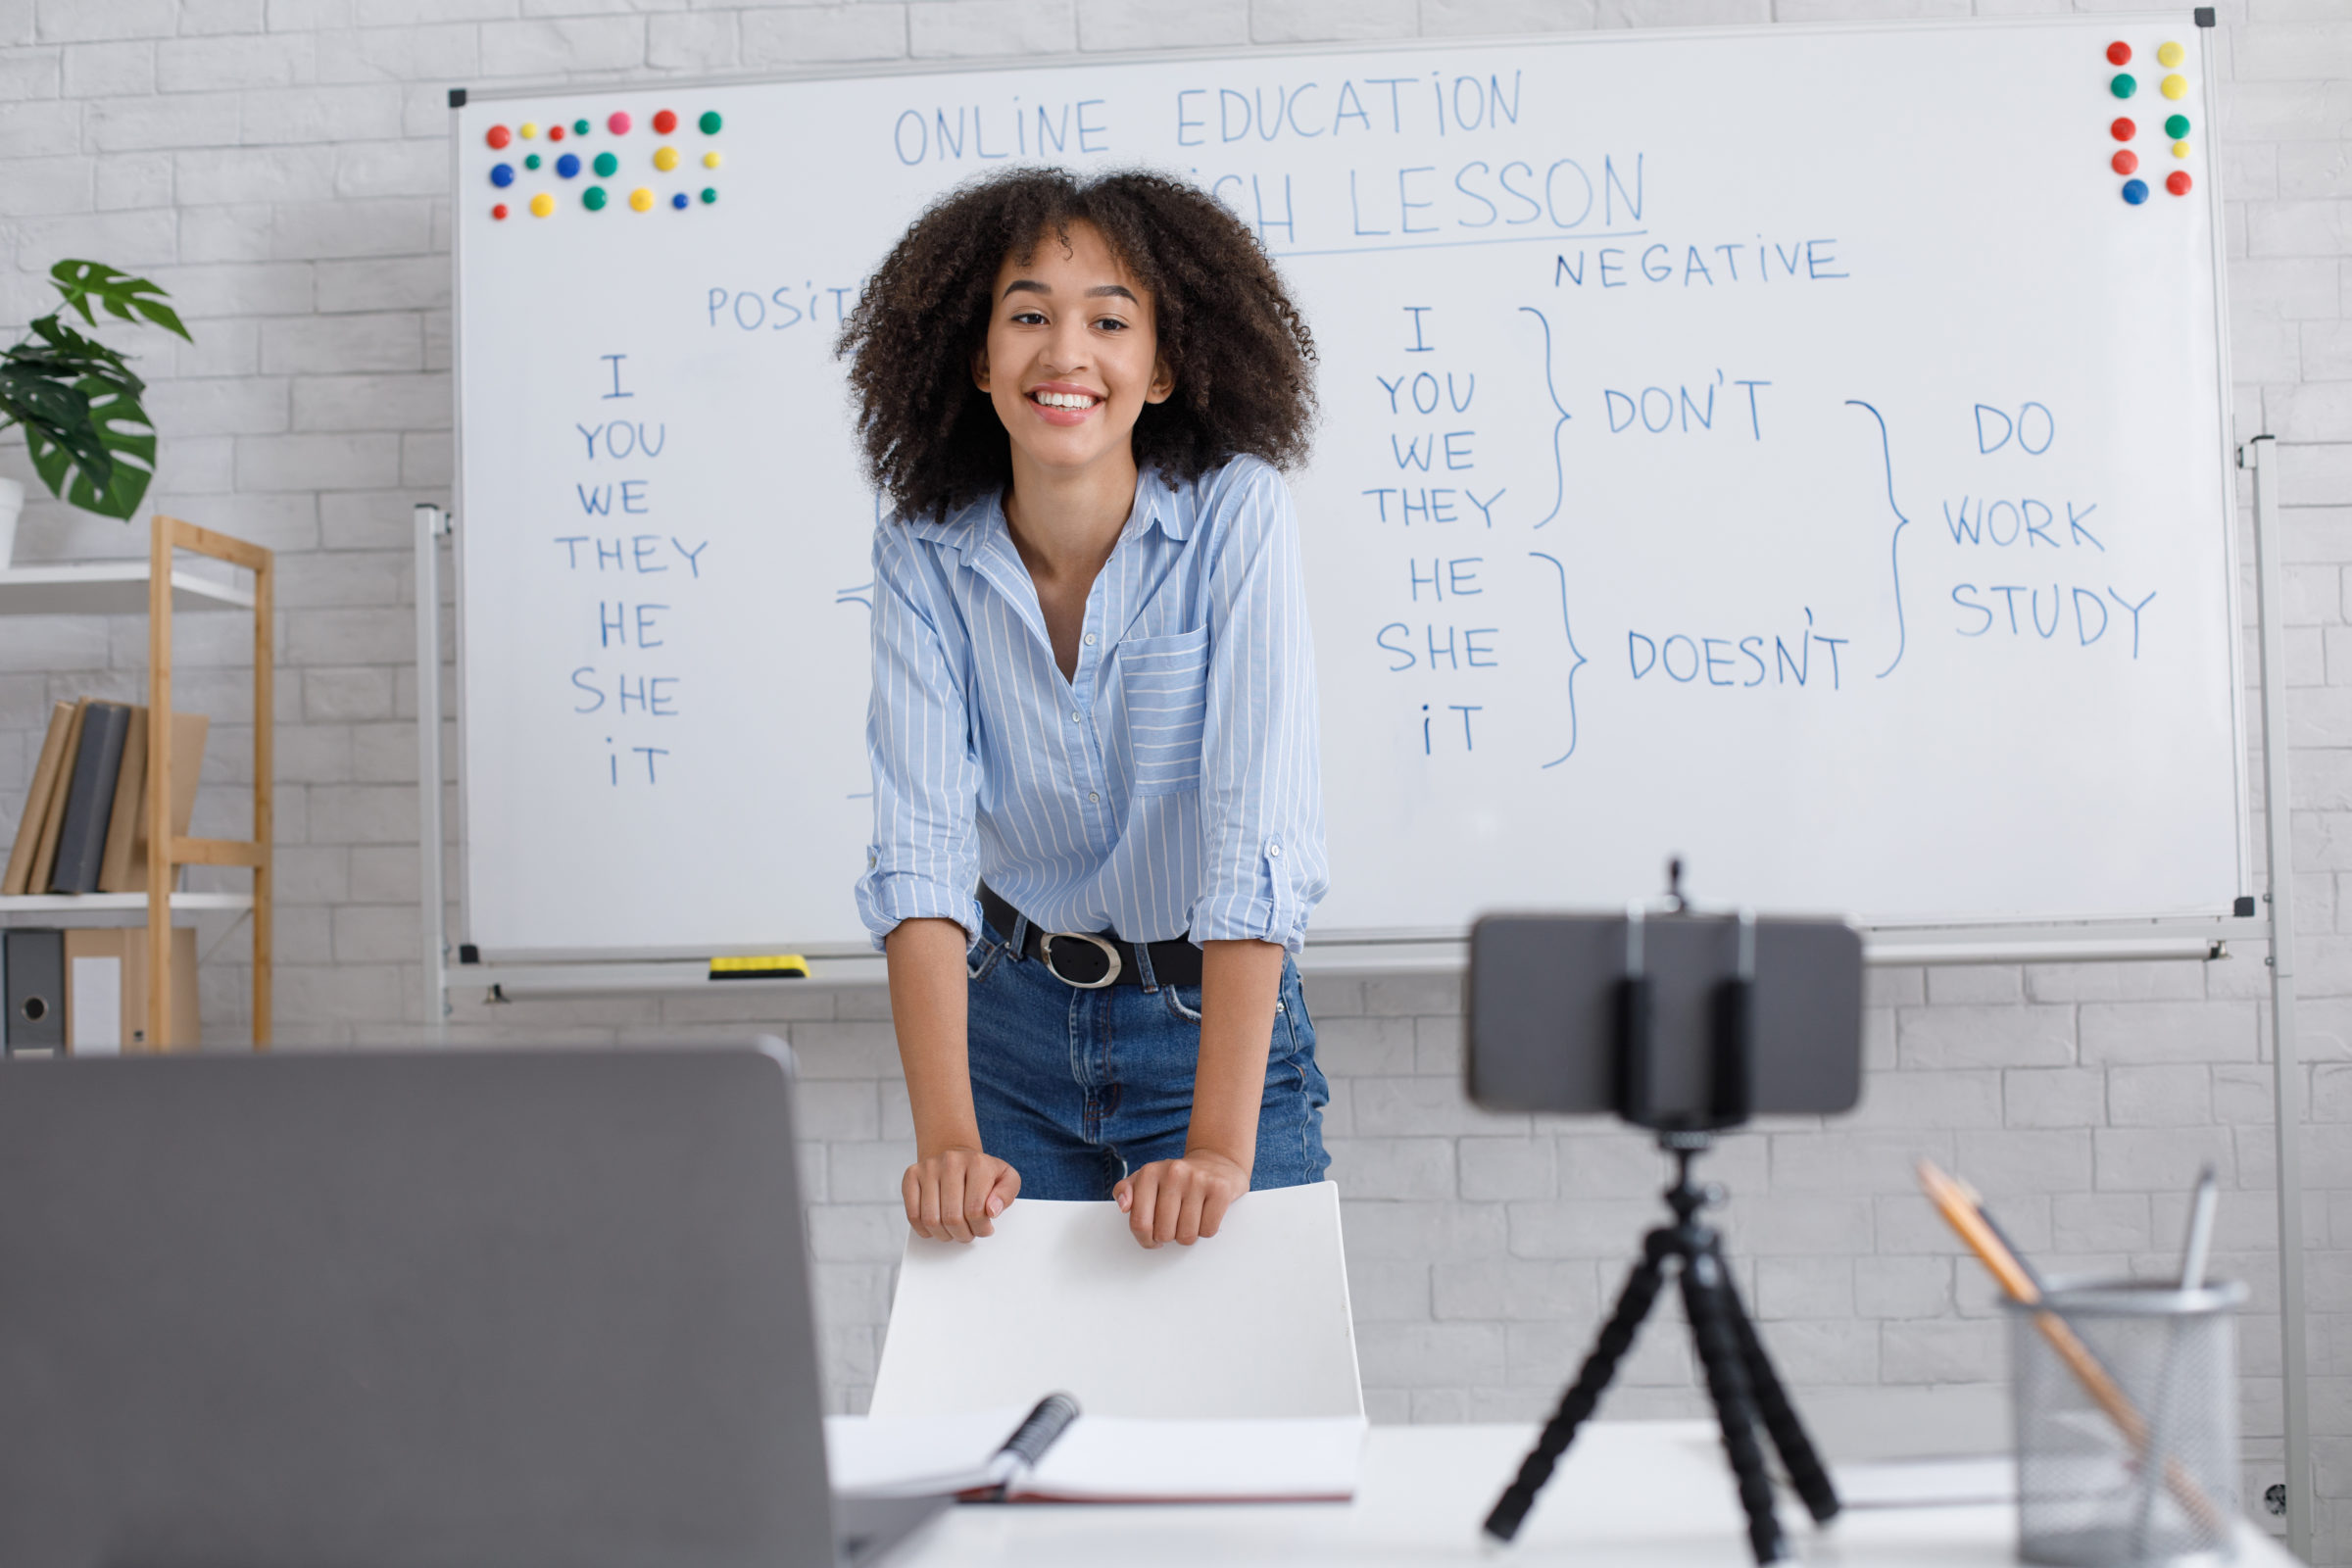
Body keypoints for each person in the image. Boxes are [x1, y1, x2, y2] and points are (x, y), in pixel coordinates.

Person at [840, 167, 1329, 1251]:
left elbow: (1257, 840)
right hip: (1007, 1027)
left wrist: (1215, 1148)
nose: (1066, 353)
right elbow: (918, 847)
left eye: (1110, 319)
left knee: (1245, 1407)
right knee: (1014, 1401)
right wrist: (948, 1138)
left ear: (1163, 368)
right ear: (977, 357)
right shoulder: (921, 549)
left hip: (1210, 1028)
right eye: (1028, 317)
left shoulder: (1236, 517)